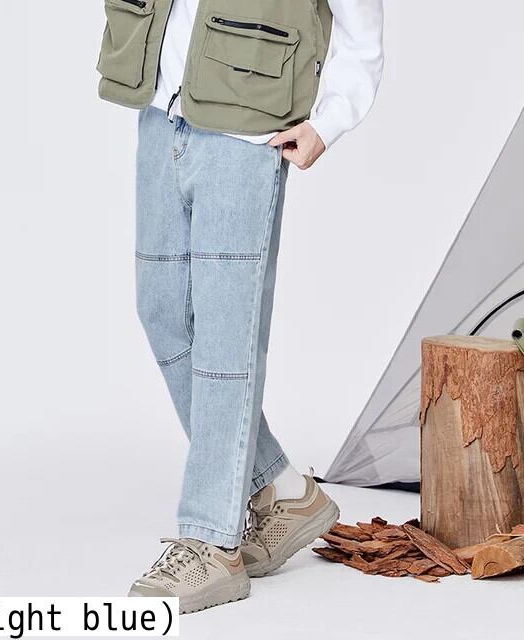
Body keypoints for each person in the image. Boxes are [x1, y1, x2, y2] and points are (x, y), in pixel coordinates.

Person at [97, 0, 384, 613]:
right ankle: (282, 488)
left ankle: (212, 541)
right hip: (161, 113)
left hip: (248, 135)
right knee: (162, 311)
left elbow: (362, 31)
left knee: (228, 337)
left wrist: (330, 120)